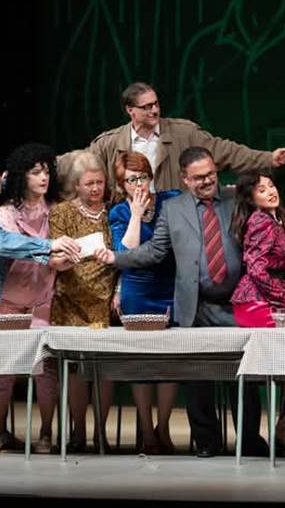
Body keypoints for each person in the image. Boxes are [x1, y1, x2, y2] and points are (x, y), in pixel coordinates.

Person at [96, 146, 269, 458]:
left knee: (243, 375)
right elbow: (155, 251)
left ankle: (250, 440)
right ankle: (206, 441)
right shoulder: (173, 208)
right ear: (185, 179)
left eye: (211, 174)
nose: (208, 181)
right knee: (198, 377)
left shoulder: (236, 199)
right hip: (196, 304)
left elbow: (262, 237)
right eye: (199, 178)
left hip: (237, 302)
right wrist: (115, 258)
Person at [0, 153, 80, 452]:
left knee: (43, 366)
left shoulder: (14, 197)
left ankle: (17, 431)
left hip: (32, 294)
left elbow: (23, 178)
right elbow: (2, 243)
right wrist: (49, 248)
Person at [0, 143, 72, 454]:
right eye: (36, 172)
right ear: (22, 176)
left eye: (46, 171)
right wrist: (51, 253)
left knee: (45, 369)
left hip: (43, 297)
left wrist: (66, 257)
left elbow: (65, 250)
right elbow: (14, 246)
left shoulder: (56, 208)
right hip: (9, 299)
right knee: (4, 369)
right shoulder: (7, 211)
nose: (43, 177)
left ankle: (46, 433)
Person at [229, 169, 285, 457]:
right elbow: (256, 270)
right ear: (251, 199)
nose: (271, 191)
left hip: (273, 298)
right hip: (254, 301)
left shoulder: (280, 219)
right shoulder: (259, 221)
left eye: (271, 185)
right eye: (262, 190)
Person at [88, 81, 285, 193]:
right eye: (147, 107)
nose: (154, 110)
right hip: (131, 221)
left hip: (174, 219)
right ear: (130, 110)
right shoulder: (109, 144)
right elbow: (81, 170)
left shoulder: (183, 132)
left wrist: (267, 158)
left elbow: (225, 151)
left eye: (156, 104)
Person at [109, 151, 180, 454]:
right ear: (121, 185)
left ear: (151, 177)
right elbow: (127, 253)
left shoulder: (170, 201)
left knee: (169, 362)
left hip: (170, 286)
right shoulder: (119, 212)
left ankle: (163, 427)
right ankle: (147, 430)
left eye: (143, 177)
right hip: (137, 290)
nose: (139, 184)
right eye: (131, 180)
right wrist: (136, 214)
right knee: (141, 362)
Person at [50, 149, 118, 453]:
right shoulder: (61, 212)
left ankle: (100, 432)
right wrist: (65, 258)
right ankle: (77, 430)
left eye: (100, 182)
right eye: (89, 183)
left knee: (104, 369)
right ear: (76, 184)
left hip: (106, 300)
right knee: (76, 369)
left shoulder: (113, 211)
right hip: (71, 299)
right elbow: (55, 256)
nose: (95, 188)